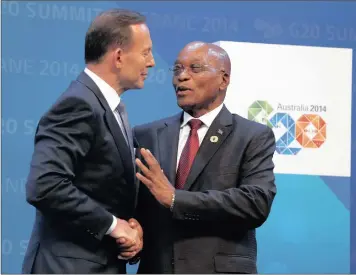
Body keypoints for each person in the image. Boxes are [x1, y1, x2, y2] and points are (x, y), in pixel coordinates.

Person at [22, 9, 155, 274]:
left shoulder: (111, 108)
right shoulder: (79, 104)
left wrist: (131, 225)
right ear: (118, 56)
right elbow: (45, 185)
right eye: (145, 52)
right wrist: (113, 225)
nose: (151, 62)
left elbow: (105, 190)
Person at [133, 41, 277, 274]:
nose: (181, 77)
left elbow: (255, 203)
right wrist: (133, 228)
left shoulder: (252, 136)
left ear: (224, 79)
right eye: (177, 69)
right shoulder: (146, 136)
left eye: (195, 68)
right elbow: (134, 204)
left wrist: (175, 199)